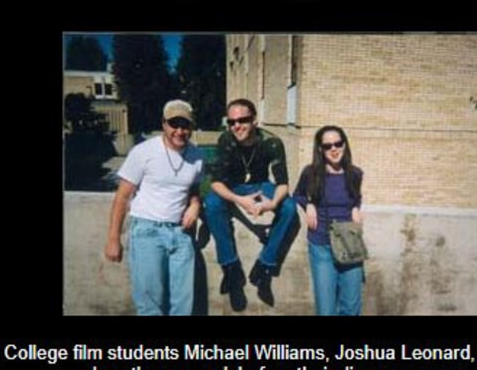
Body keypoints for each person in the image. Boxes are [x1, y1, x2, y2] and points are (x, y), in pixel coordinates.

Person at [104, 100, 203, 316]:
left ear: (191, 127)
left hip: (181, 235)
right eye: (173, 124)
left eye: (185, 125)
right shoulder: (143, 152)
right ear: (164, 124)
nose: (179, 131)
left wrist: (194, 204)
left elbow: (194, 188)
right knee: (150, 306)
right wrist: (113, 239)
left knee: (183, 306)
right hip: (147, 233)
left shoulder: (197, 156)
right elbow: (122, 197)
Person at [204, 98, 298, 311]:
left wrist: (272, 204)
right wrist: (240, 201)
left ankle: (264, 267)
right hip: (233, 187)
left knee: (289, 209)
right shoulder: (226, 140)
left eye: (243, 120)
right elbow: (216, 183)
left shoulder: (271, 142)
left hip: (261, 186)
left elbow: (283, 184)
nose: (236, 126)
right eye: (232, 121)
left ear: (254, 120)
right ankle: (231, 269)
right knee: (212, 203)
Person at [293, 126, 364, 316]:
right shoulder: (310, 173)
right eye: (327, 146)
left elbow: (356, 198)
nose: (334, 149)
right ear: (320, 149)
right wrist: (309, 204)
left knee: (351, 307)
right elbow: (298, 195)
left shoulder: (355, 174)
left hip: (349, 242)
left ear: (344, 145)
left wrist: (356, 208)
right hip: (321, 245)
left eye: (338, 144)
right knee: (326, 310)